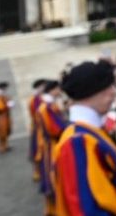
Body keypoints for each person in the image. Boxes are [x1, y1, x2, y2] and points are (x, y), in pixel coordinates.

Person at [51, 60, 116, 215]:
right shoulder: (78, 141)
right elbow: (87, 209)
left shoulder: (87, 133)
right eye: (109, 87)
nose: (114, 92)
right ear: (93, 92)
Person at [33, 80, 67, 214]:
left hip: (52, 144)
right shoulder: (46, 107)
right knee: (52, 177)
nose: (59, 91)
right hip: (50, 146)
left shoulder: (49, 105)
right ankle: (52, 210)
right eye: (58, 89)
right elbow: (54, 129)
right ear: (52, 90)